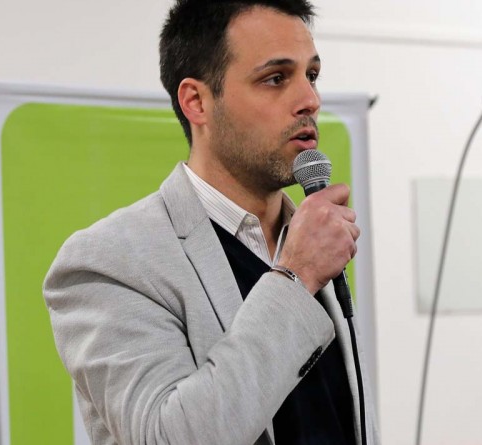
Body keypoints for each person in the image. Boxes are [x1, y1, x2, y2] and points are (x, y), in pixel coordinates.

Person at [43, 0, 378, 444]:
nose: (310, 101)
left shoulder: (312, 242)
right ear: (196, 101)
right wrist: (296, 277)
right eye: (276, 78)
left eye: (311, 75)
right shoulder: (109, 261)